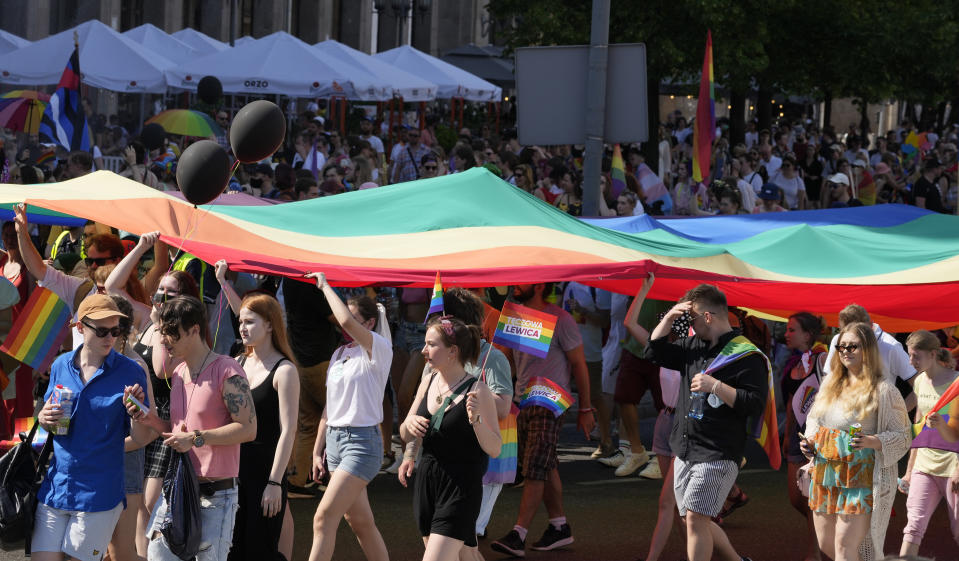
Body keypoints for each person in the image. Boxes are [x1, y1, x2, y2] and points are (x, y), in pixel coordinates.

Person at [126, 295, 257, 561]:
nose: (163, 340)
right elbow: (177, 431)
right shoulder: (178, 374)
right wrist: (148, 418)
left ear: (194, 329)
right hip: (177, 488)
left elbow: (248, 429)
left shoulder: (227, 370)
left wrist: (196, 438)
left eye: (172, 333)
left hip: (215, 496)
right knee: (157, 555)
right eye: (162, 333)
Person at [646, 284, 768, 561]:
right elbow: (653, 352)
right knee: (696, 520)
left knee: (696, 519)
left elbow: (755, 403)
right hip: (686, 449)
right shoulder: (693, 346)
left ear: (708, 316)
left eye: (692, 319)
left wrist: (716, 387)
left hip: (718, 451)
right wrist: (668, 319)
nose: (689, 326)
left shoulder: (747, 355)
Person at [32, 294, 154, 561]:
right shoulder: (60, 365)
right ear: (79, 328)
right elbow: (49, 420)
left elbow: (143, 437)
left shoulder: (132, 372)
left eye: (115, 330)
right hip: (57, 486)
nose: (109, 337)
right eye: (101, 331)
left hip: (98, 493)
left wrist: (137, 415)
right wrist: (43, 418)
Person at [491, 283, 596, 557]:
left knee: (536, 465)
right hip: (524, 399)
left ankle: (518, 534)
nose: (515, 285)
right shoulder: (512, 314)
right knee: (545, 464)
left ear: (539, 285)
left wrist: (586, 410)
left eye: (522, 281)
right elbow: (507, 361)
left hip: (549, 399)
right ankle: (559, 526)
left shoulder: (561, 319)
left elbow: (579, 365)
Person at [801, 322, 911, 561]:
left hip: (861, 477)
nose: (846, 352)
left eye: (853, 346)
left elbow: (903, 435)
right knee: (827, 545)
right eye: (841, 347)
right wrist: (809, 439)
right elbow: (814, 419)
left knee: (844, 547)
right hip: (825, 473)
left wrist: (873, 441)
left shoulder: (884, 390)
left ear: (868, 350)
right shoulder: (831, 385)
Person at [304, 272, 391, 561]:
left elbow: (343, 321)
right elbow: (330, 408)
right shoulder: (340, 353)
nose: (346, 325)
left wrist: (325, 285)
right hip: (336, 444)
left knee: (323, 518)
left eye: (356, 320)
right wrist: (317, 452)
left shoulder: (378, 347)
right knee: (361, 524)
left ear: (369, 324)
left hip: (362, 444)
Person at [215, 266, 300, 561]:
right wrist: (223, 283)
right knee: (231, 548)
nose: (242, 327)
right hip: (232, 469)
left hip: (265, 472)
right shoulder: (237, 360)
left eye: (250, 322)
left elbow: (288, 430)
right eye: (241, 322)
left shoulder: (285, 370)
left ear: (270, 326)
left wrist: (275, 483)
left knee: (260, 549)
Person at [400, 316, 501, 561]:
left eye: (431, 344)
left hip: (461, 485)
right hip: (427, 483)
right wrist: (409, 429)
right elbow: (405, 432)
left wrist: (476, 419)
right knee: (467, 556)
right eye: (425, 343)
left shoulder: (479, 390)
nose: (424, 350)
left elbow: (495, 448)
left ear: (452, 351)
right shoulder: (428, 380)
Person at [898, 330, 959, 557]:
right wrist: (909, 471)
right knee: (913, 528)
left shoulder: (956, 383)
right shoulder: (920, 382)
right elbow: (919, 428)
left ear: (933, 354)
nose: (911, 361)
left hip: (953, 468)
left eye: (916, 356)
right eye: (909, 355)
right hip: (925, 466)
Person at [105, 294, 156, 561]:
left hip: (125, 460)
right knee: (103, 548)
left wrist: (105, 447)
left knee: (120, 551)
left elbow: (148, 428)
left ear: (121, 330)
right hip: (99, 462)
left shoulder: (135, 367)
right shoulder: (95, 361)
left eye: (109, 326)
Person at [782, 312, 827, 561]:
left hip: (817, 438)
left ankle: (814, 554)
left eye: (792, 330)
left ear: (807, 335)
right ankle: (825, 526)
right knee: (795, 498)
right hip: (795, 436)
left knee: (810, 498)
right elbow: (791, 401)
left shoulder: (822, 360)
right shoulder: (795, 362)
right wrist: (787, 433)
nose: (786, 334)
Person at [823, 304, 917, 411]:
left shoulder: (891, 347)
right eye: (844, 333)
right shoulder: (838, 340)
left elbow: (920, 386)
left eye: (858, 334)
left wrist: (898, 413)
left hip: (878, 421)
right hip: (842, 417)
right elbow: (828, 380)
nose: (848, 345)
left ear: (870, 325)